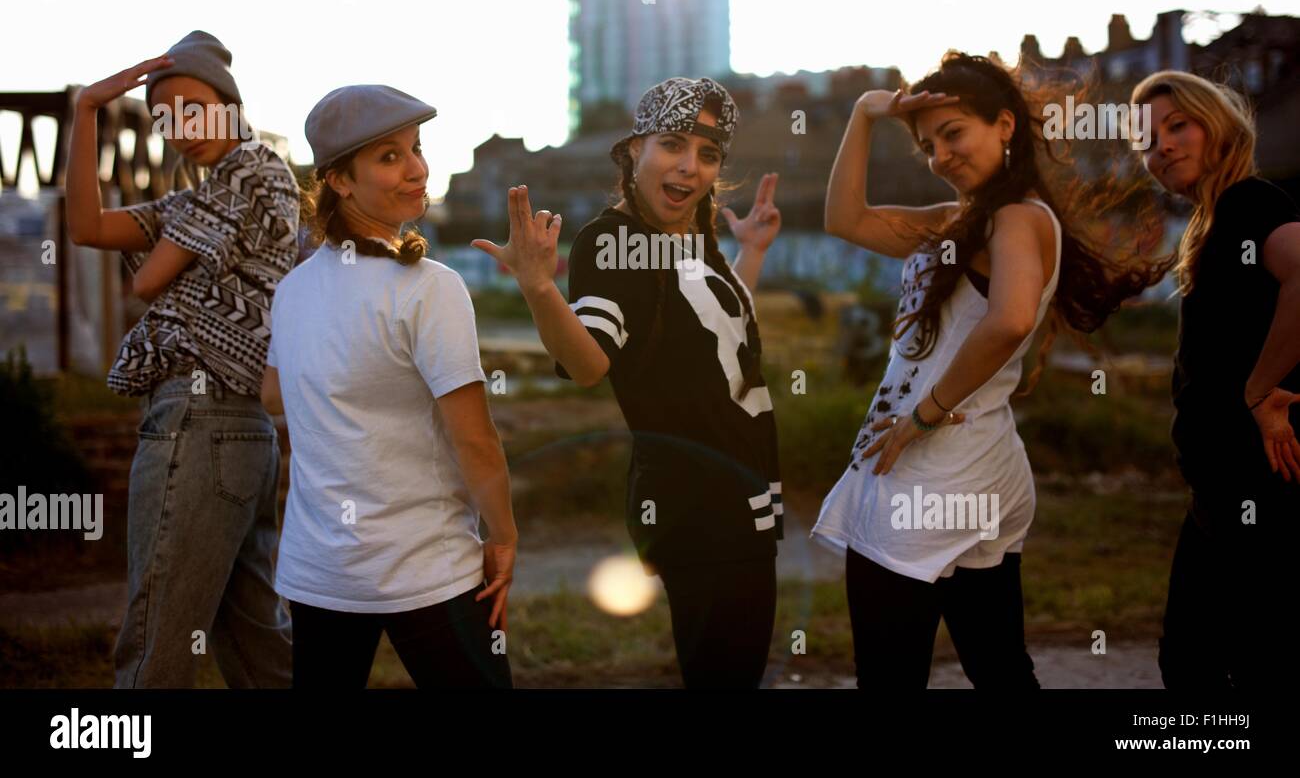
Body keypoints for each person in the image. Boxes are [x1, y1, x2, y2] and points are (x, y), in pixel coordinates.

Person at [812, 52, 1170, 689]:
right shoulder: (960, 220)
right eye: (928, 145)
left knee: (891, 677)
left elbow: (1006, 321)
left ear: (1004, 126)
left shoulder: (1018, 219)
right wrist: (865, 115)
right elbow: (846, 219)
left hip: (932, 475)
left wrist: (923, 416)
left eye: (954, 134)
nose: (941, 155)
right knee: (1000, 666)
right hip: (979, 468)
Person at [473, 77, 783, 688]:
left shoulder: (694, 233)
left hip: (746, 490)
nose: (690, 167)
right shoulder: (614, 242)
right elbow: (589, 364)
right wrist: (539, 287)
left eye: (709, 154)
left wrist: (751, 254)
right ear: (634, 148)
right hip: (698, 503)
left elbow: (722, 334)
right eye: (672, 145)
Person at [65, 30, 299, 687]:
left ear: (230, 104)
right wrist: (86, 110)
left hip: (198, 423)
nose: (178, 129)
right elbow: (86, 226)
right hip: (237, 429)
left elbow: (144, 280)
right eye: (163, 118)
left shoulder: (251, 170)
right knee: (258, 651)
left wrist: (166, 247)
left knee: (157, 648)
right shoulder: (205, 198)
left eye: (193, 108)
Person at [263, 84, 516, 688]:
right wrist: (503, 536)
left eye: (417, 148)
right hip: (426, 567)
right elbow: (474, 441)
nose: (418, 169)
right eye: (390, 156)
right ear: (341, 181)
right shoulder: (431, 288)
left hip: (319, 570)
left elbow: (274, 397)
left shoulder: (293, 289)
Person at [1133, 70, 1300, 689]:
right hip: (1222, 491)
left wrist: (1258, 389)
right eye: (1148, 140)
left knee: (1234, 663)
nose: (1163, 147)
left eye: (1179, 125)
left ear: (1221, 126)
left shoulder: (1249, 204)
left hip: (1257, 491)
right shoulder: (1218, 221)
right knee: (1199, 661)